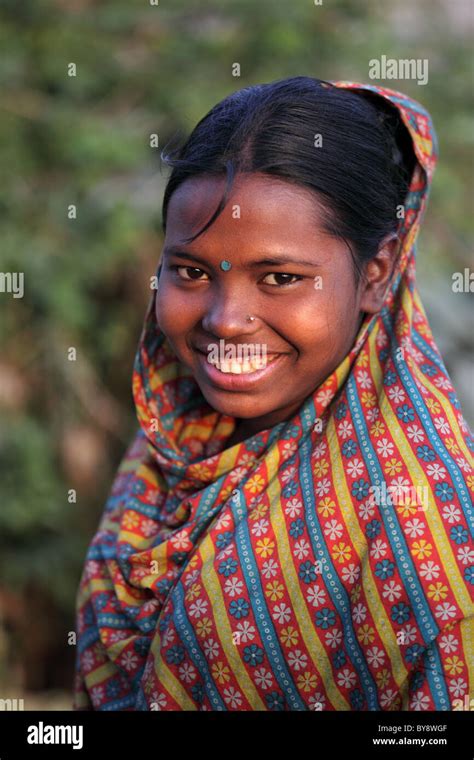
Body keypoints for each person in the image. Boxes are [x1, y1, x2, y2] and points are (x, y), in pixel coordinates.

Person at [73, 77, 473, 711]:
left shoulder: (418, 514)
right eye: (192, 271)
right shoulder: (177, 439)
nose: (226, 320)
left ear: (376, 272)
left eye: (282, 277)